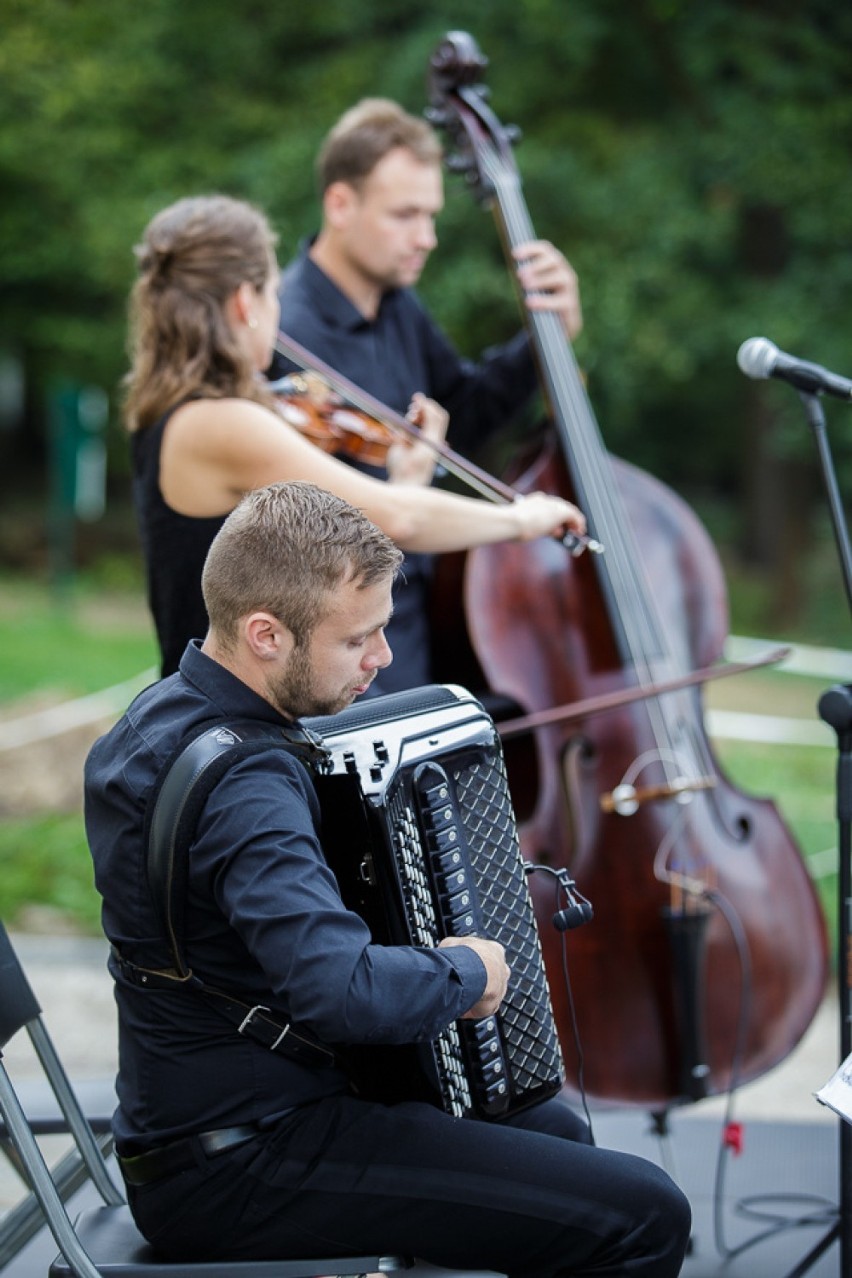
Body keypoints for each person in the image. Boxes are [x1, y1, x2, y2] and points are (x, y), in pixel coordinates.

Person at [84, 480, 691, 1273]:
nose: (384, 657)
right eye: (358, 638)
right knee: (645, 1214)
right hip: (244, 1162)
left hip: (206, 1125)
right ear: (266, 634)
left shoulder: (156, 719)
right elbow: (339, 991)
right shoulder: (249, 785)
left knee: (554, 1132)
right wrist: (467, 967)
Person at [126, 193, 585, 680]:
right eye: (272, 293)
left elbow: (323, 569)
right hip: (225, 725)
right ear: (245, 302)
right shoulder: (218, 423)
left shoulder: (185, 414)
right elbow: (402, 520)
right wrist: (522, 517)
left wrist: (404, 482)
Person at [268, 97, 584, 693]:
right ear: (340, 203)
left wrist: (546, 336)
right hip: (331, 655)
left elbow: (465, 419)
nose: (428, 238)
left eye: (431, 215)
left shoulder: (399, 308)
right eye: (405, 215)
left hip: (419, 627)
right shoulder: (283, 330)